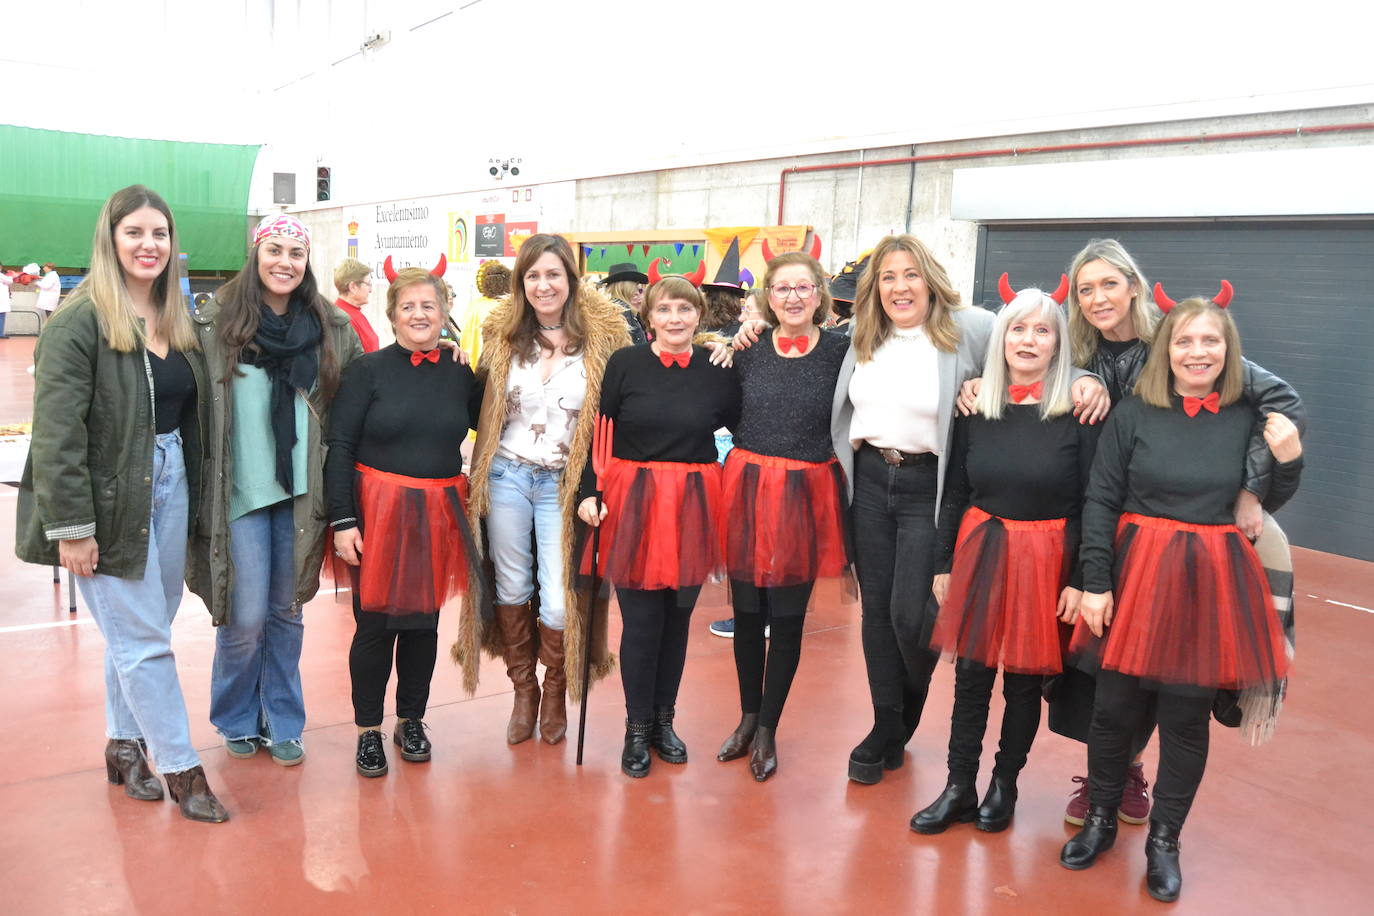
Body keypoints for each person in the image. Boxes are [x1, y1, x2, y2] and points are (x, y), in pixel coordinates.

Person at [964, 240, 1306, 826]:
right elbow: (1029, 373)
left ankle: (1129, 774)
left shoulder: (1177, 339)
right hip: (1107, 515)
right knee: (1102, 669)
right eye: (1087, 287)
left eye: (1109, 285)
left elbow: (1277, 402)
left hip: (1182, 514)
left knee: (1167, 665)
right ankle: (1108, 776)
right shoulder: (1080, 347)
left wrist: (1252, 487)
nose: (1098, 298)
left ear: (1134, 287)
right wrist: (987, 382)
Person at [821, 234, 1108, 785]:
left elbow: (1032, 348)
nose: (900, 287)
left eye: (910, 274)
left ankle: (906, 709)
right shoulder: (860, 334)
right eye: (887, 277)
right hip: (872, 478)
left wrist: (1085, 380)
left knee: (915, 614)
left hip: (932, 484)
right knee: (877, 614)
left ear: (930, 278)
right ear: (874, 287)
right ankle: (887, 726)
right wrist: (746, 330)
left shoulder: (969, 326)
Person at [1060, 289, 1302, 903]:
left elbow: (1270, 492)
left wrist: (1287, 465)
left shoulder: (1249, 419)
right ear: (1166, 350)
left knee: (1186, 719)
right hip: (1136, 572)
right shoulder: (1135, 413)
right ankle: (1101, 820)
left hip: (1209, 583)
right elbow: (1101, 499)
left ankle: (1164, 841)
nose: (1197, 352)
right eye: (1185, 340)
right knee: (1112, 710)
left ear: (1229, 350)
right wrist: (1095, 581)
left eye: (1210, 341)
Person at [16, 185, 227, 822]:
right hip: (108, 501)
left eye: (159, 233)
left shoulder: (178, 318)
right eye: (134, 232)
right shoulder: (80, 321)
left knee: (142, 633)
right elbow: (57, 436)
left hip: (169, 487)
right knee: (144, 643)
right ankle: (181, 768)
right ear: (110, 239)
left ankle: (122, 744)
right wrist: (72, 527)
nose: (148, 245)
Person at [910, 283, 1100, 834]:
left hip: (1046, 560)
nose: (1028, 339)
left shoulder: (1079, 411)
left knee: (1022, 682)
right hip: (983, 549)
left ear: (1058, 343)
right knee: (971, 677)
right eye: (1018, 327)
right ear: (1001, 337)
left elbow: (1093, 500)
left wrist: (1083, 577)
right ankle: (957, 786)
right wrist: (944, 562)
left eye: (1043, 330)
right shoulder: (975, 404)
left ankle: (1004, 784)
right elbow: (958, 491)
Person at [188, 213, 363, 766]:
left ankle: (283, 719)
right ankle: (236, 715)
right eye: (275, 250)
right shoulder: (216, 324)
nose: (285, 261)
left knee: (286, 612)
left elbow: (366, 390)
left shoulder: (331, 328)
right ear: (256, 255)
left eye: (296, 252)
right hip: (237, 492)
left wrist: (442, 357)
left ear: (307, 261)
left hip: (302, 495)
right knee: (244, 617)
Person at [453, 233, 630, 747]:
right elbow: (479, 404)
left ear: (570, 280)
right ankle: (523, 691)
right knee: (511, 588)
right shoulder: (503, 335)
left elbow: (624, 405)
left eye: (553, 274)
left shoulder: (605, 338)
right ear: (520, 283)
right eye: (532, 275)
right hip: (507, 476)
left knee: (557, 601)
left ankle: (555, 689)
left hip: (563, 483)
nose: (543, 284)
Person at [578, 275, 741, 778]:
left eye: (685, 310)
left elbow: (746, 430)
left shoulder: (717, 370)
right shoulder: (624, 364)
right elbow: (600, 432)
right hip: (634, 503)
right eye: (665, 309)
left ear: (699, 316)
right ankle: (636, 727)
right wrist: (590, 490)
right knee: (643, 623)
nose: (675, 319)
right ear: (648, 317)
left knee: (676, 624)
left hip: (693, 504)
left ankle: (664, 722)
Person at [325, 263, 483, 776]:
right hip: (378, 513)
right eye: (409, 306)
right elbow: (341, 446)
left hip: (438, 513)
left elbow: (496, 419)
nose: (419, 314)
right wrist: (343, 520)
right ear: (392, 315)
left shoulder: (461, 372)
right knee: (374, 627)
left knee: (423, 626)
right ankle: (368, 729)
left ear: (444, 313)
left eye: (429, 306)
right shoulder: (367, 372)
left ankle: (410, 719)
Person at [715, 251, 850, 781]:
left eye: (803, 287)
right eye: (781, 289)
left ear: (819, 294)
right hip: (747, 490)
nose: (793, 297)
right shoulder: (745, 352)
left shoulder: (844, 352)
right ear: (766, 298)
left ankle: (770, 726)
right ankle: (748, 717)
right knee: (747, 615)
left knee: (788, 620)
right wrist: (724, 344)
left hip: (805, 493)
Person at [459, 259, 512, 366]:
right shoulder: (511, 306)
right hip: (501, 367)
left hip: (474, 365)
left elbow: (465, 338)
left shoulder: (474, 306)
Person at [332, 258, 380, 352]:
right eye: (368, 284)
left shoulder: (353, 313)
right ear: (353, 287)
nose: (370, 290)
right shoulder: (342, 319)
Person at [600, 262, 649, 345]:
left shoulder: (611, 310)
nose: (638, 293)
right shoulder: (622, 312)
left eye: (639, 290)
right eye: (635, 287)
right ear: (624, 288)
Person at [0, 264, 12, 337]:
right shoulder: (1, 275)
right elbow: (10, 281)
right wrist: (11, 275)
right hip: (1, 300)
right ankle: (0, 333)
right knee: (1, 317)